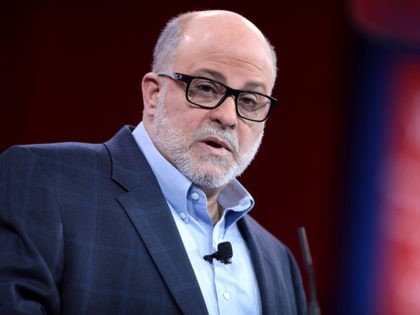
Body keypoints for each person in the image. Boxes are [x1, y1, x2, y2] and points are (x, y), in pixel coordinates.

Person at [0, 9, 307, 315]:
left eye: (250, 101)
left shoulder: (279, 262)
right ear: (153, 94)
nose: (227, 117)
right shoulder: (47, 182)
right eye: (205, 87)